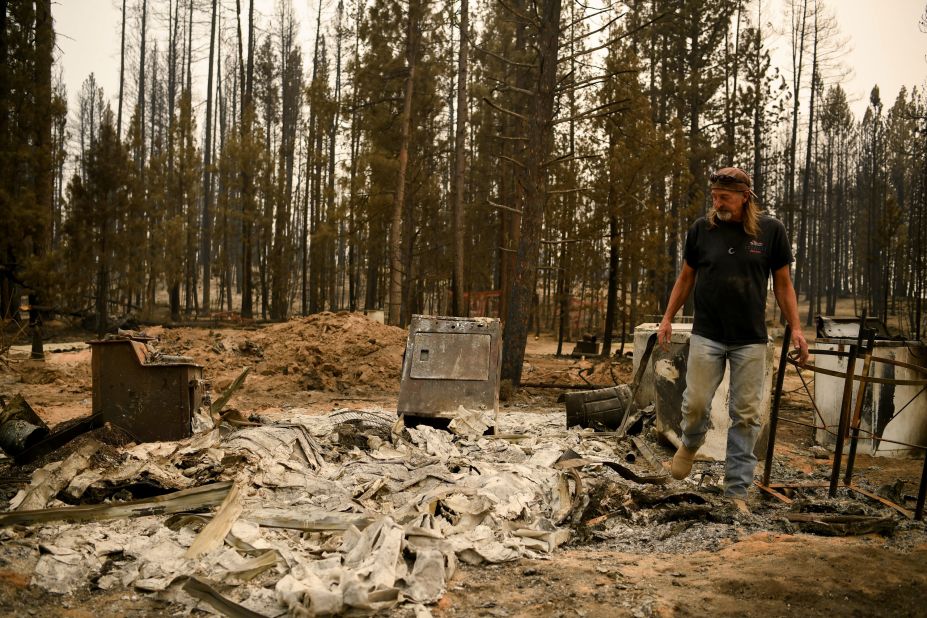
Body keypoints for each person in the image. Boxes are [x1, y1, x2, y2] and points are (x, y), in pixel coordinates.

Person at [657, 166, 810, 512]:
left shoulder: (771, 232)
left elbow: (784, 285)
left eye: (724, 197)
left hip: (750, 340)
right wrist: (667, 318)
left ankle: (737, 491)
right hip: (707, 333)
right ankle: (690, 443)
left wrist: (796, 328)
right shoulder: (701, 230)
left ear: (745, 196)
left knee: (746, 414)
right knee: (695, 403)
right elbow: (685, 279)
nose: (718, 202)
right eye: (714, 196)